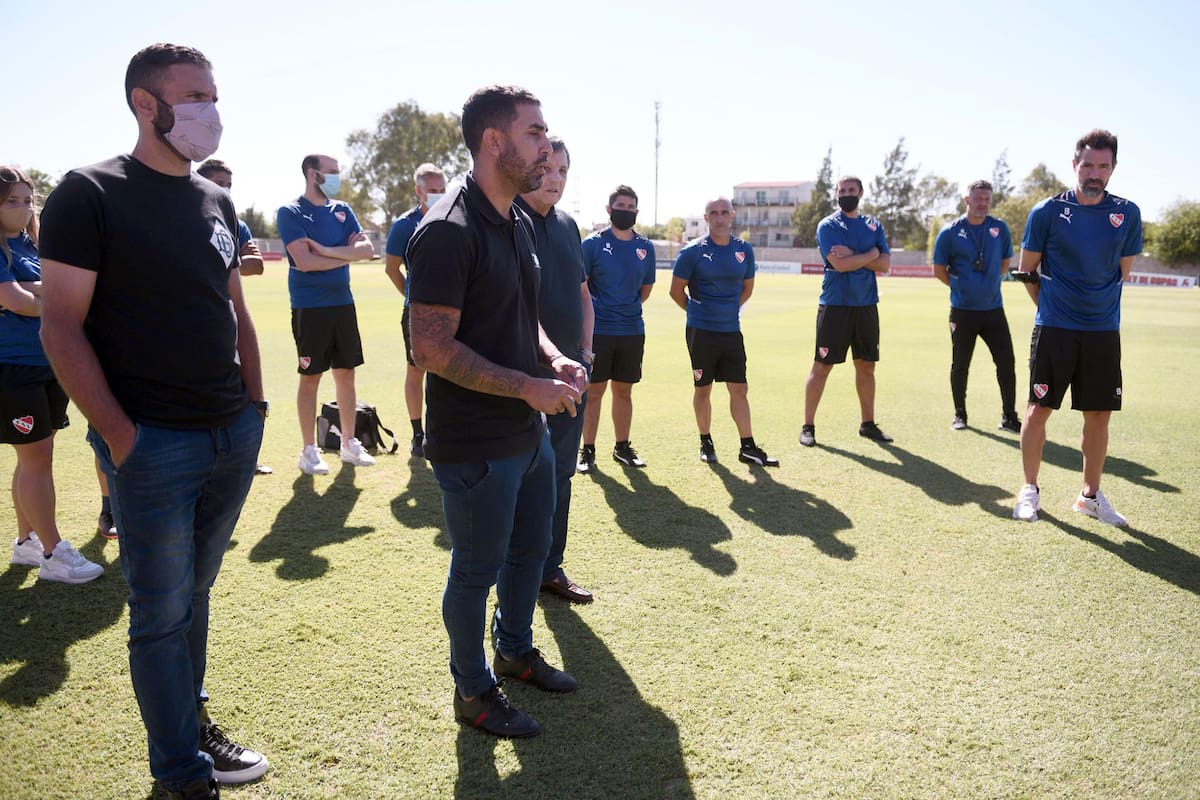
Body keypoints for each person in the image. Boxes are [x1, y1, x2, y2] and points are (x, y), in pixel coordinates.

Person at [38, 43, 269, 800]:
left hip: (231, 432)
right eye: (194, 95)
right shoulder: (89, 192)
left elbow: (236, 312)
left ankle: (190, 727)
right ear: (146, 103)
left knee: (193, 596)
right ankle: (180, 772)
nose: (210, 110)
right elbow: (60, 326)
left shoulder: (216, 200)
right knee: (161, 614)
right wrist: (121, 437)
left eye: (213, 94)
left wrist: (256, 408)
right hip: (152, 443)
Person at [406, 85, 585, 738]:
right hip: (476, 442)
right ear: (493, 141)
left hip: (526, 431)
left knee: (530, 551)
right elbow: (430, 347)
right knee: (476, 570)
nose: (546, 146)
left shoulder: (516, 219)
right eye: (534, 133)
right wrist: (526, 387)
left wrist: (554, 358)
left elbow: (521, 313)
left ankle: (513, 651)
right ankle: (473, 690)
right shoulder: (447, 229)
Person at [1012, 129, 1141, 527]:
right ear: (1074, 165)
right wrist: (1053, 308)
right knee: (1038, 410)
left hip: (1103, 331)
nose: (1094, 173)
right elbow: (1027, 271)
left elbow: (1121, 272)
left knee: (1099, 415)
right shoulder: (1046, 212)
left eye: (1103, 166)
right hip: (1055, 328)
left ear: (1113, 168)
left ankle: (1089, 496)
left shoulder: (1127, 213)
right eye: (1087, 165)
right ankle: (1029, 490)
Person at [2, 165, 105, 584]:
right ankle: (52, 552)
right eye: (12, 200)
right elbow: (17, 301)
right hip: (12, 368)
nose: (24, 207)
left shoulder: (31, 244)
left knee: (33, 458)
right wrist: (51, 298)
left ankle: (26, 541)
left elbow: (41, 294)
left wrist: (37, 293)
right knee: (36, 458)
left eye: (28, 200)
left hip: (47, 362)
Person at [515, 137, 596, 604]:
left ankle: (549, 569)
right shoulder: (509, 221)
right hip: (523, 378)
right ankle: (513, 574)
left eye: (563, 171)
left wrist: (585, 354)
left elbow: (584, 295)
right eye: (546, 168)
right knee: (518, 477)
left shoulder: (568, 226)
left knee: (561, 474)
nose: (555, 179)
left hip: (572, 377)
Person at [276, 153, 376, 475]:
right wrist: (348, 255)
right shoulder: (291, 212)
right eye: (331, 172)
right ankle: (309, 450)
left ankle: (348, 443)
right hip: (310, 307)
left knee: (346, 373)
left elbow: (367, 251)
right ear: (312, 173)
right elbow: (304, 262)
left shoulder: (342, 210)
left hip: (342, 304)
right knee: (311, 377)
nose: (336, 177)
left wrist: (326, 251)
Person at [669, 196, 779, 467]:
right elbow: (676, 291)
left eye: (724, 212)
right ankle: (705, 441)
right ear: (706, 218)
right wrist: (698, 313)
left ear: (732, 215)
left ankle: (747, 447)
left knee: (739, 388)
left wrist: (728, 311)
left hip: (731, 331)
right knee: (703, 389)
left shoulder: (744, 250)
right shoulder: (692, 252)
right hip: (701, 332)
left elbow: (747, 289)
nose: (719, 218)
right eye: (713, 213)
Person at [799, 175, 892, 447]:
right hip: (835, 306)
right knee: (822, 366)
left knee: (866, 366)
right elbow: (840, 265)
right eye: (841, 190)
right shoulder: (828, 225)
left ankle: (868, 424)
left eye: (851, 190)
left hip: (866, 305)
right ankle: (808, 426)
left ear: (861, 193)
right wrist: (871, 253)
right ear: (836, 194)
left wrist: (855, 255)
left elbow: (885, 264)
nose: (846, 194)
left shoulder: (873, 225)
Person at [197, 159, 271, 475]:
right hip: (195, 321)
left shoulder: (234, 223)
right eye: (218, 183)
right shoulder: (188, 216)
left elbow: (257, 264)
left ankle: (243, 456)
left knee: (239, 386)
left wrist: (228, 262)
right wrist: (234, 261)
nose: (224, 190)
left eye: (228, 184)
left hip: (230, 318)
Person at [576, 185, 655, 472]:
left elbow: (645, 290)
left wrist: (624, 310)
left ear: (637, 211)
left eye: (631, 207)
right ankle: (587, 450)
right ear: (609, 210)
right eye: (621, 206)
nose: (626, 211)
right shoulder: (592, 244)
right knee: (594, 393)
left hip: (632, 331)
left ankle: (622, 448)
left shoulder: (645, 247)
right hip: (598, 332)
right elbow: (581, 289)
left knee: (624, 392)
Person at [932, 179, 1020, 433]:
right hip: (963, 311)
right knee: (960, 364)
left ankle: (1009, 417)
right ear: (966, 200)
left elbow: (1005, 262)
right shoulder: (950, 232)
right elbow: (939, 269)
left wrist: (987, 283)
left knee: (1006, 362)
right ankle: (960, 414)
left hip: (993, 310)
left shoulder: (999, 228)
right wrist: (961, 287)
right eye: (978, 198)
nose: (982, 203)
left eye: (986, 199)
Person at [384, 163, 447, 458]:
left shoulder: (455, 218)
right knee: (416, 370)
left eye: (442, 190)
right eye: (432, 190)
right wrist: (413, 298)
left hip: (454, 311)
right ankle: (417, 433)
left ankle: (443, 430)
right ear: (418, 191)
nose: (438, 195)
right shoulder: (404, 225)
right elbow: (392, 268)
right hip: (417, 313)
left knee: (450, 370)